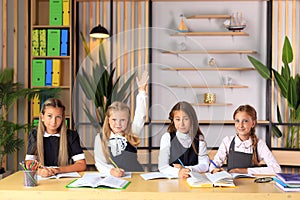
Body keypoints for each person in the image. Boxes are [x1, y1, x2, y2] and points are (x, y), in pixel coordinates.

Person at [94, 71, 148, 177]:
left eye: (122, 120)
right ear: (108, 120)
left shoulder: (133, 132)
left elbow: (140, 115)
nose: (118, 124)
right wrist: (111, 171)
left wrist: (141, 92)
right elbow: (99, 162)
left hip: (135, 176)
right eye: (114, 120)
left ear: (128, 121)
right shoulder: (100, 138)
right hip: (112, 177)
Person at [209, 104, 281, 174]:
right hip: (233, 184)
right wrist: (215, 170)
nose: (240, 125)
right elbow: (214, 165)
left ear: (253, 123)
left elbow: (276, 169)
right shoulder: (227, 141)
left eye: (245, 121)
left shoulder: (259, 144)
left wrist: (244, 171)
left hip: (253, 185)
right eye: (237, 121)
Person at [25, 98, 86, 177]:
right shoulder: (34, 134)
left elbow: (81, 164)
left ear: (62, 118)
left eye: (58, 117)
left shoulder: (71, 135)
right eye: (49, 116)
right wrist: (39, 171)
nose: (53, 121)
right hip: (42, 181)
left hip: (63, 180)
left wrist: (58, 170)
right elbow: (29, 162)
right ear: (42, 117)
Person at [158, 101, 210, 179]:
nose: (181, 124)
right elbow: (162, 167)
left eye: (185, 119)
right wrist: (178, 172)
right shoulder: (167, 138)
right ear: (173, 121)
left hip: (194, 182)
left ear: (192, 120)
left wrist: (187, 169)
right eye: (178, 119)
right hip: (172, 184)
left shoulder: (199, 139)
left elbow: (205, 165)